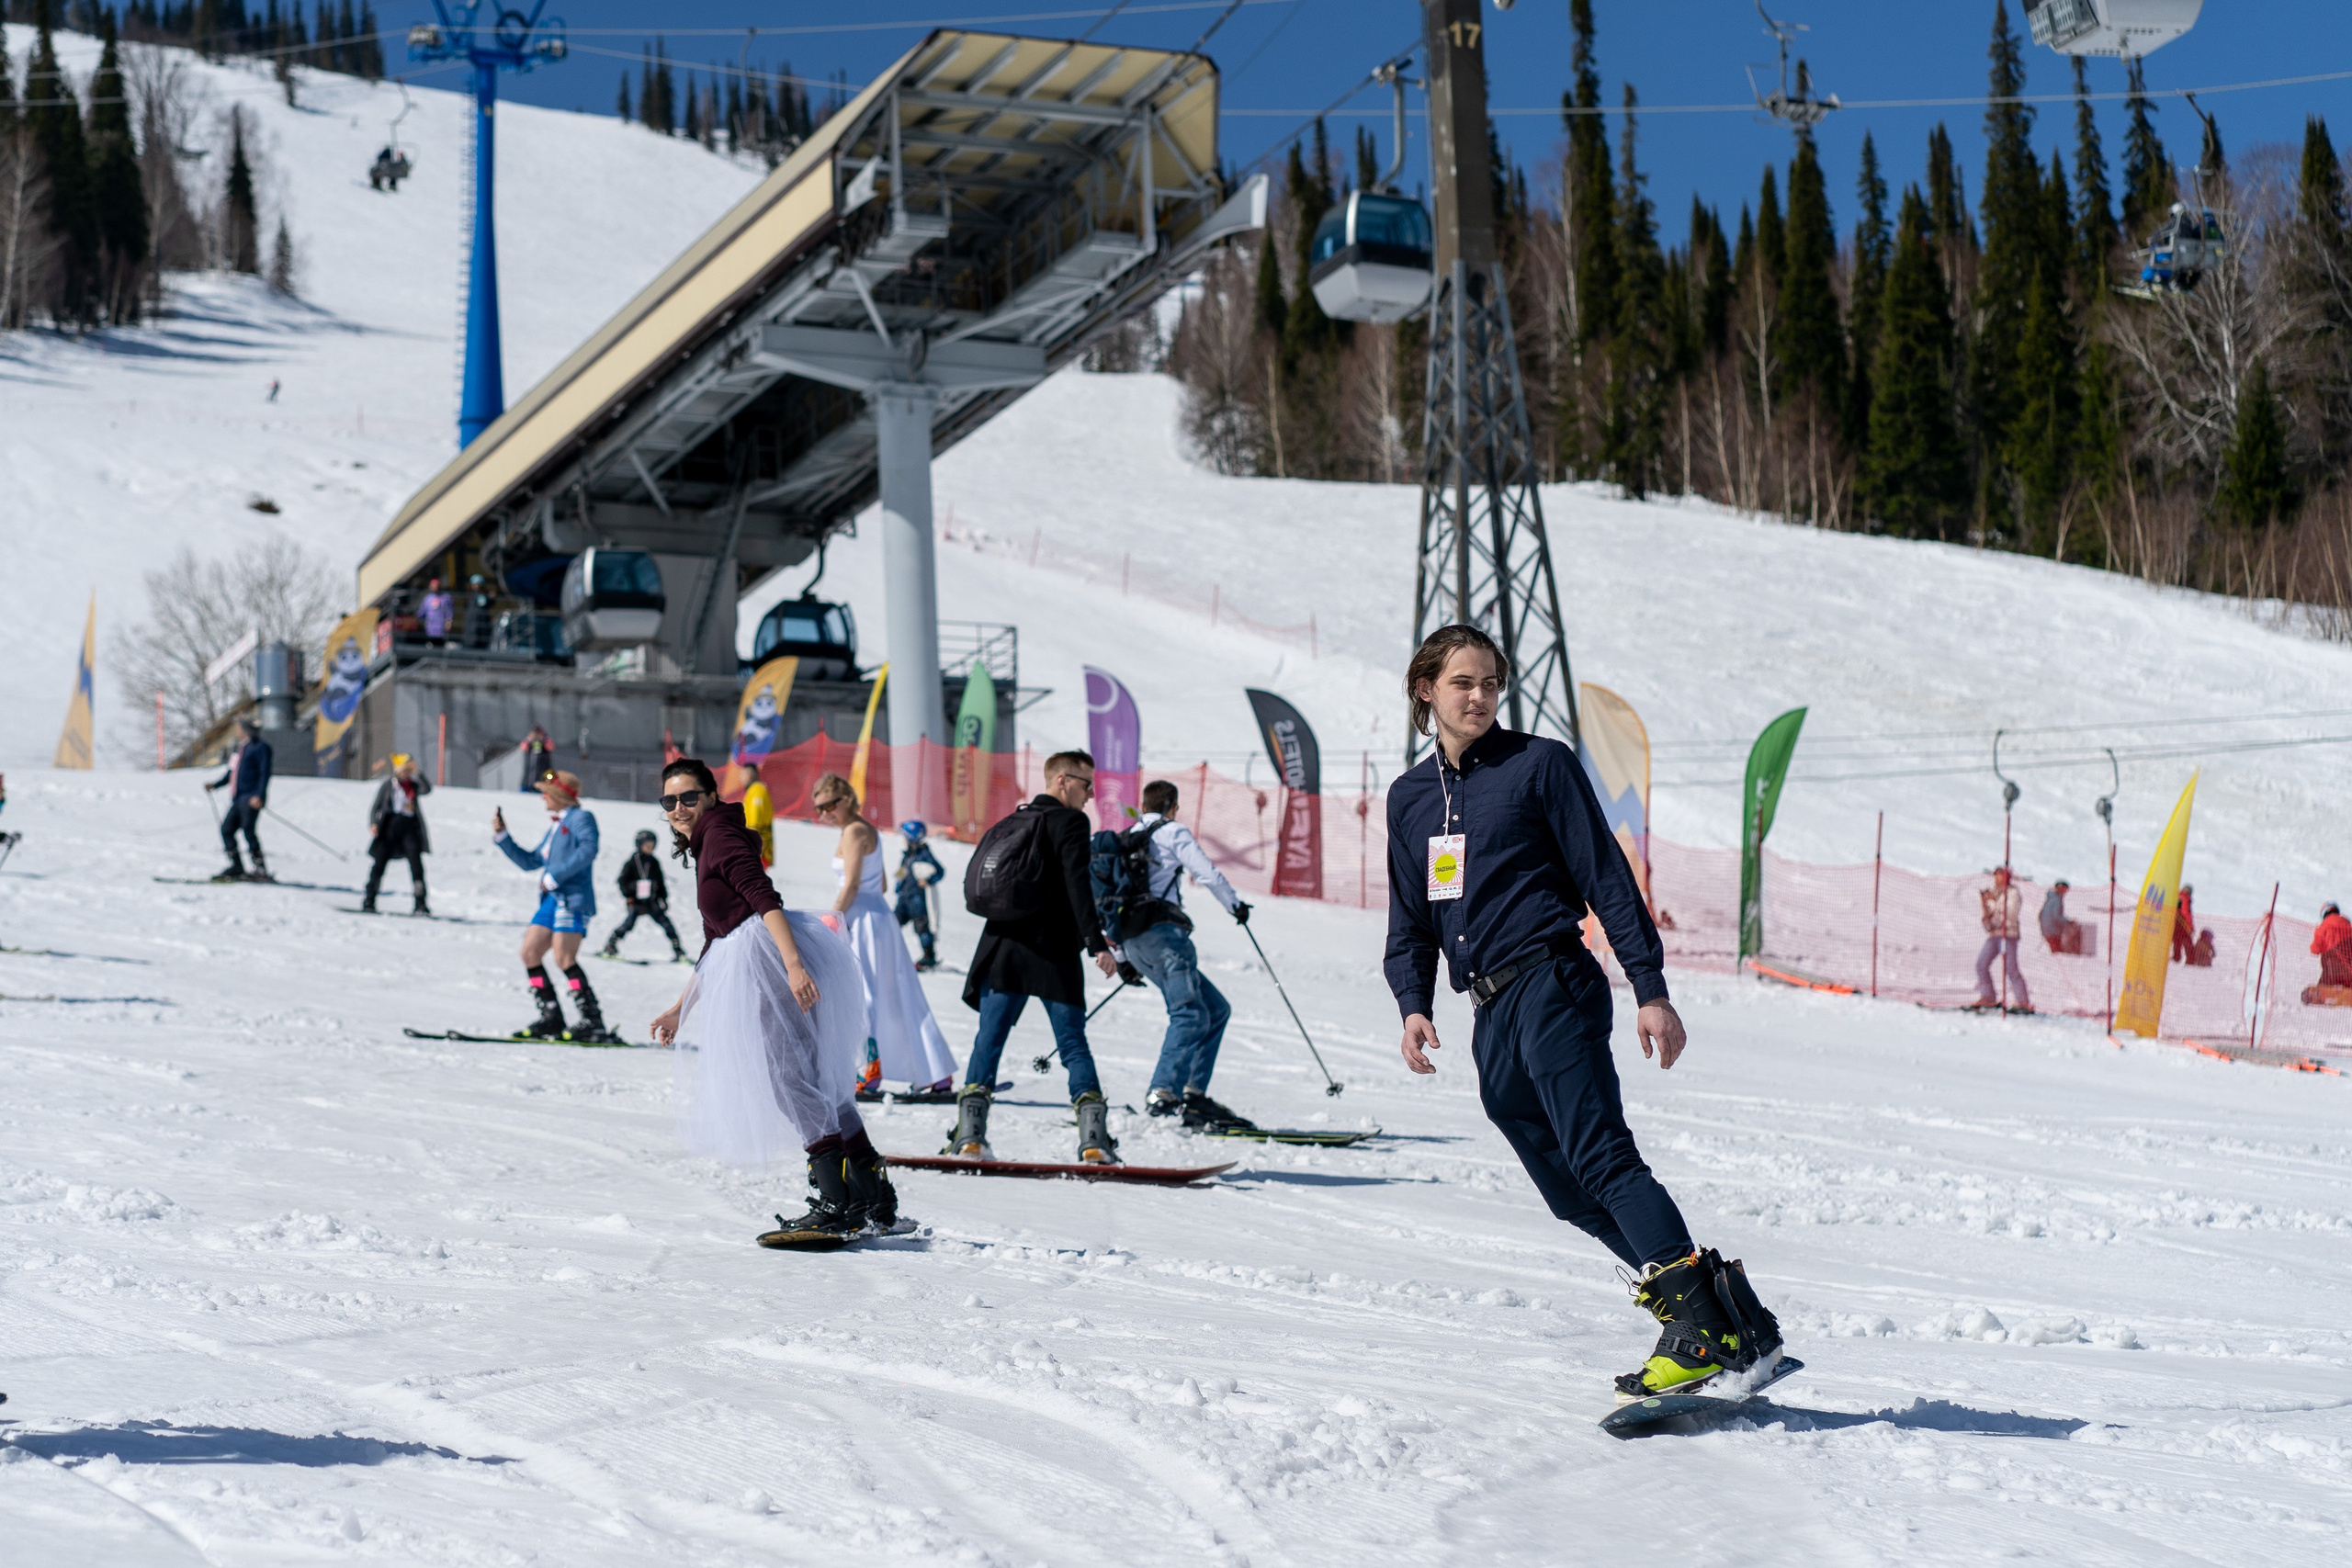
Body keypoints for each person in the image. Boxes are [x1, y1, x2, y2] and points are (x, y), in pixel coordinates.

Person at [1385, 625, 1781, 1402]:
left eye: (1491, 682)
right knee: (1567, 1189)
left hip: (1552, 978)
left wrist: (1650, 988)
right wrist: (1413, 1002)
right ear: (1425, 688)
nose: (1479, 696)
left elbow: (1606, 875)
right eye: (1463, 682)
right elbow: (1409, 916)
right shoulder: (1409, 799)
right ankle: (1726, 1317)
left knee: (1602, 1156)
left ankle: (1704, 1330)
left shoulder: (1539, 765)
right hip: (1487, 1008)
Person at [650, 757, 901, 1244]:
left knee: (791, 1077)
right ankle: (872, 1200)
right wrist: (683, 1006)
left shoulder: (719, 837)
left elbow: (765, 898)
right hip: (757, 956)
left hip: (768, 960)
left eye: (688, 797)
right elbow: (713, 941)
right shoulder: (711, 840)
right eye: (669, 801)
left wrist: (791, 966)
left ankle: (836, 1204)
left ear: (709, 796)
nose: (678, 807)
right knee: (819, 1074)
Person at [949, 750, 1122, 1164]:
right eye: (1086, 784)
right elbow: (1079, 885)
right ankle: (1095, 1142)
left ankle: (970, 1139)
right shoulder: (1071, 822)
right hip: (1053, 952)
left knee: (988, 1041)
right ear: (1063, 781)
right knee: (1073, 1045)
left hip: (1003, 948)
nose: (1091, 795)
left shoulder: (1013, 821)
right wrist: (1096, 943)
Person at [1102, 778, 1255, 1130]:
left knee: (1215, 1010)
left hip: (1134, 943)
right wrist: (1235, 907)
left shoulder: (1125, 839)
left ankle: (1192, 1094)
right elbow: (1207, 873)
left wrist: (1124, 957)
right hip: (1166, 939)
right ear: (1173, 807)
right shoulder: (1173, 832)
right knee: (1188, 1014)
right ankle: (1163, 1094)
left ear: (1142, 807)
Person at [814, 775, 957, 1097]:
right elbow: (880, 886)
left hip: (861, 918)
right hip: (875, 916)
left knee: (862, 993)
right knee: (898, 992)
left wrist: (833, 920)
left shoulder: (853, 831)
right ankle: (935, 1072)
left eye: (829, 806)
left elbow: (851, 884)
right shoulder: (865, 830)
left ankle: (870, 1068)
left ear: (846, 800)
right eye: (819, 809)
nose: (824, 814)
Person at [493, 770, 610, 1042]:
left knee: (564, 958)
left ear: (560, 795)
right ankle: (551, 1017)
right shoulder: (555, 826)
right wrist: (503, 838)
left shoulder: (581, 818)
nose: (543, 797)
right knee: (530, 953)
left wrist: (556, 875)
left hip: (572, 899)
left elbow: (588, 849)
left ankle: (593, 1020)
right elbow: (531, 861)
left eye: (546, 792)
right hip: (550, 901)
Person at [601, 829, 688, 962]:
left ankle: (678, 951)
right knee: (628, 923)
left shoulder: (654, 862)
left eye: (652, 846)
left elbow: (660, 882)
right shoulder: (632, 861)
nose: (650, 848)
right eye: (647, 845)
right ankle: (610, 945)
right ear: (639, 845)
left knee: (667, 924)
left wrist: (663, 898)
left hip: (651, 901)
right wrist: (632, 890)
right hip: (636, 900)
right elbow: (622, 881)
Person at [204, 716, 273, 881]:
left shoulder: (261, 748)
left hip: (251, 798)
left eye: (239, 727)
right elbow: (231, 773)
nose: (237, 730)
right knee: (226, 830)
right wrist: (216, 785)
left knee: (248, 831)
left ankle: (260, 868)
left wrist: (259, 795)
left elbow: (265, 774)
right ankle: (237, 866)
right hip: (238, 798)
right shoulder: (241, 748)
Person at [362, 753, 431, 914]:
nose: (406, 774)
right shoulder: (389, 785)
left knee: (416, 866)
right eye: (404, 771)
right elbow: (376, 806)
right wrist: (373, 823)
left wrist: (418, 772)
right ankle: (369, 899)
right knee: (379, 865)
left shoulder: (413, 786)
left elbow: (427, 789)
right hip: (389, 828)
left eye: (408, 771)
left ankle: (420, 903)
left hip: (409, 830)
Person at [1971, 865, 2033, 1013]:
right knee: (1981, 964)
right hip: (1994, 935)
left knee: (2011, 968)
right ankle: (1988, 996)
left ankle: (2023, 1001)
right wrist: (1984, 905)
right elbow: (1987, 922)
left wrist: (1995, 909)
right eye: (1997, 875)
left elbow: (2010, 914)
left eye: (2001, 875)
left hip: (2008, 935)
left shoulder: (2013, 893)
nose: (1998, 878)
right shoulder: (1993, 893)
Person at [893, 819, 945, 971]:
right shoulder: (908, 854)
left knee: (922, 929)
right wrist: (899, 879)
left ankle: (929, 957)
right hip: (904, 897)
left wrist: (928, 880)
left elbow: (940, 871)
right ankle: (886, 952)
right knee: (892, 924)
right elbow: (903, 869)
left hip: (918, 900)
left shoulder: (924, 854)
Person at [2038, 879, 2086, 954]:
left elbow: (2041, 914)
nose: (2065, 892)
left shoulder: (2050, 898)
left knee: (2056, 950)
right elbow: (2056, 916)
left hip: (2046, 929)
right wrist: (2068, 922)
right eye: (2064, 889)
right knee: (2058, 953)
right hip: (2053, 930)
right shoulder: (2057, 899)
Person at [2312, 903, 2352, 987]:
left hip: (2333, 964)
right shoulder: (2348, 925)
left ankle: (2319, 993)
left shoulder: (2323, 926)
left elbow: (2315, 949)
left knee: (2328, 977)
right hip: (2349, 964)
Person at [420, 579, 455, 646]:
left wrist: (449, 622)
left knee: (440, 647)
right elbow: (422, 612)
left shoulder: (446, 598)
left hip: (441, 629)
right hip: (430, 629)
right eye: (432, 586)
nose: (434, 588)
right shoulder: (428, 598)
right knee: (430, 646)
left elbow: (449, 612)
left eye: (436, 586)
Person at [519, 725, 555, 790]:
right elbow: (523, 747)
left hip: (543, 781)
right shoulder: (529, 742)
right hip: (528, 780)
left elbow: (550, 747)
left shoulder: (546, 741)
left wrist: (543, 739)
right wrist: (530, 739)